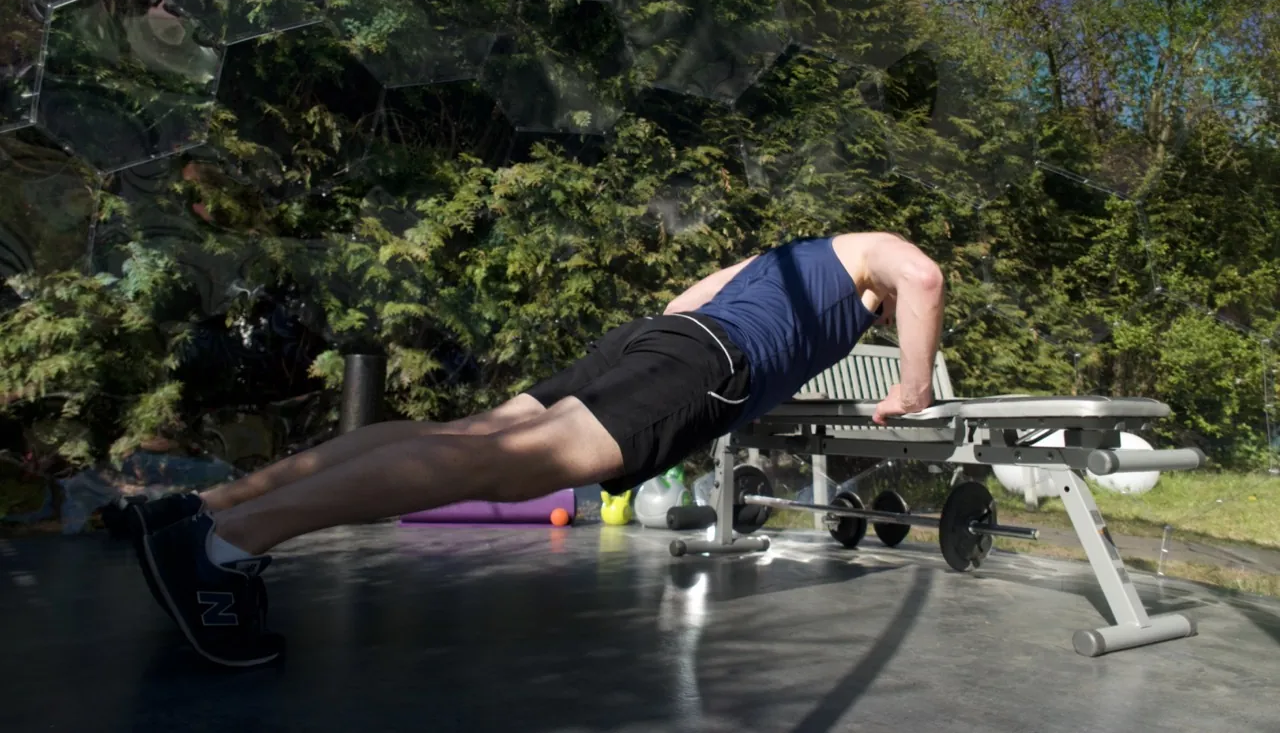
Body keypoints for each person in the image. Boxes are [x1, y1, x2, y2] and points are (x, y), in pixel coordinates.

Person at [129, 231, 945, 666]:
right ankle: (222, 548)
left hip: (657, 342)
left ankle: (199, 511)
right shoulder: (872, 250)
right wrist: (911, 385)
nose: (879, 314)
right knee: (498, 466)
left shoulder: (785, 261)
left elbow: (679, 303)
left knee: (465, 437)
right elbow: (924, 274)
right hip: (705, 363)